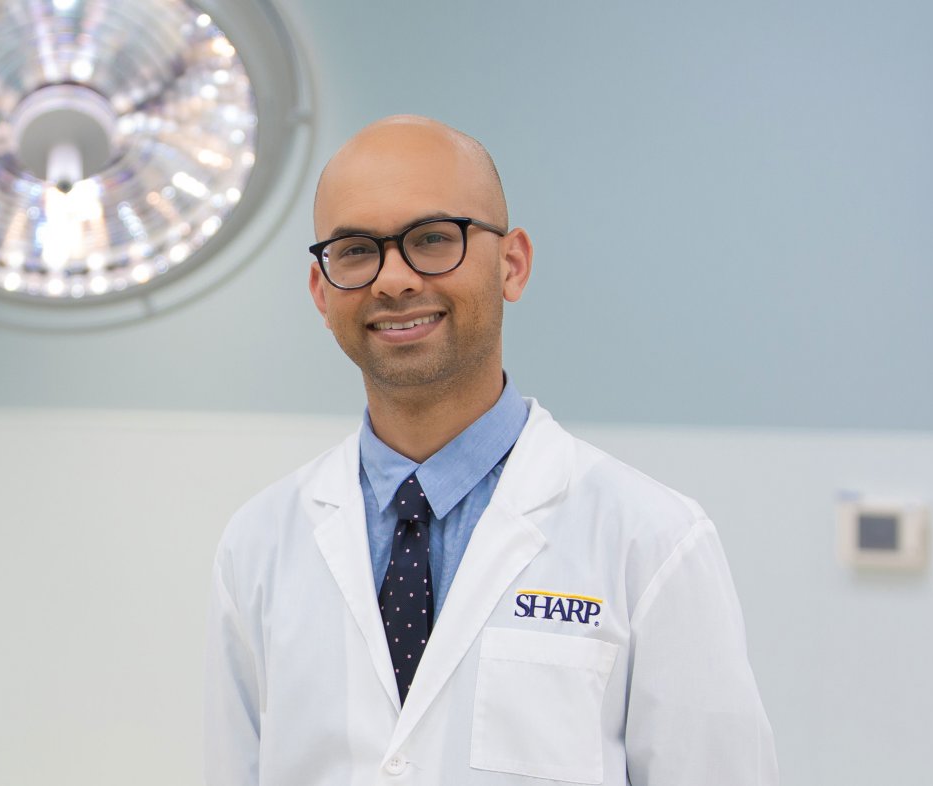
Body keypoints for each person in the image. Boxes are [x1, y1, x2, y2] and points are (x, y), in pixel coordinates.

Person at [203, 115, 778, 785]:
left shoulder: (649, 539)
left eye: (432, 239)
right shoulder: (260, 543)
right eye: (356, 250)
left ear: (513, 264)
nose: (393, 279)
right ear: (321, 291)